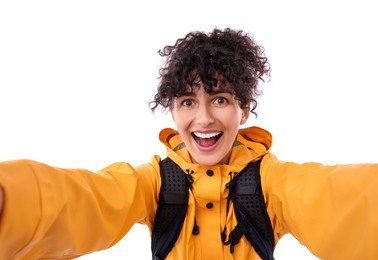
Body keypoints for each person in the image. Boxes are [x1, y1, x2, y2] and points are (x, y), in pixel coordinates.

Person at [0, 28, 377, 260]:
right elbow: (90, 199)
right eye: (187, 101)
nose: (204, 118)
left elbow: (328, 196)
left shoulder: (270, 181)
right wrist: (10, 201)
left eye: (220, 99)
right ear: (172, 111)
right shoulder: (156, 182)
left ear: (243, 111)